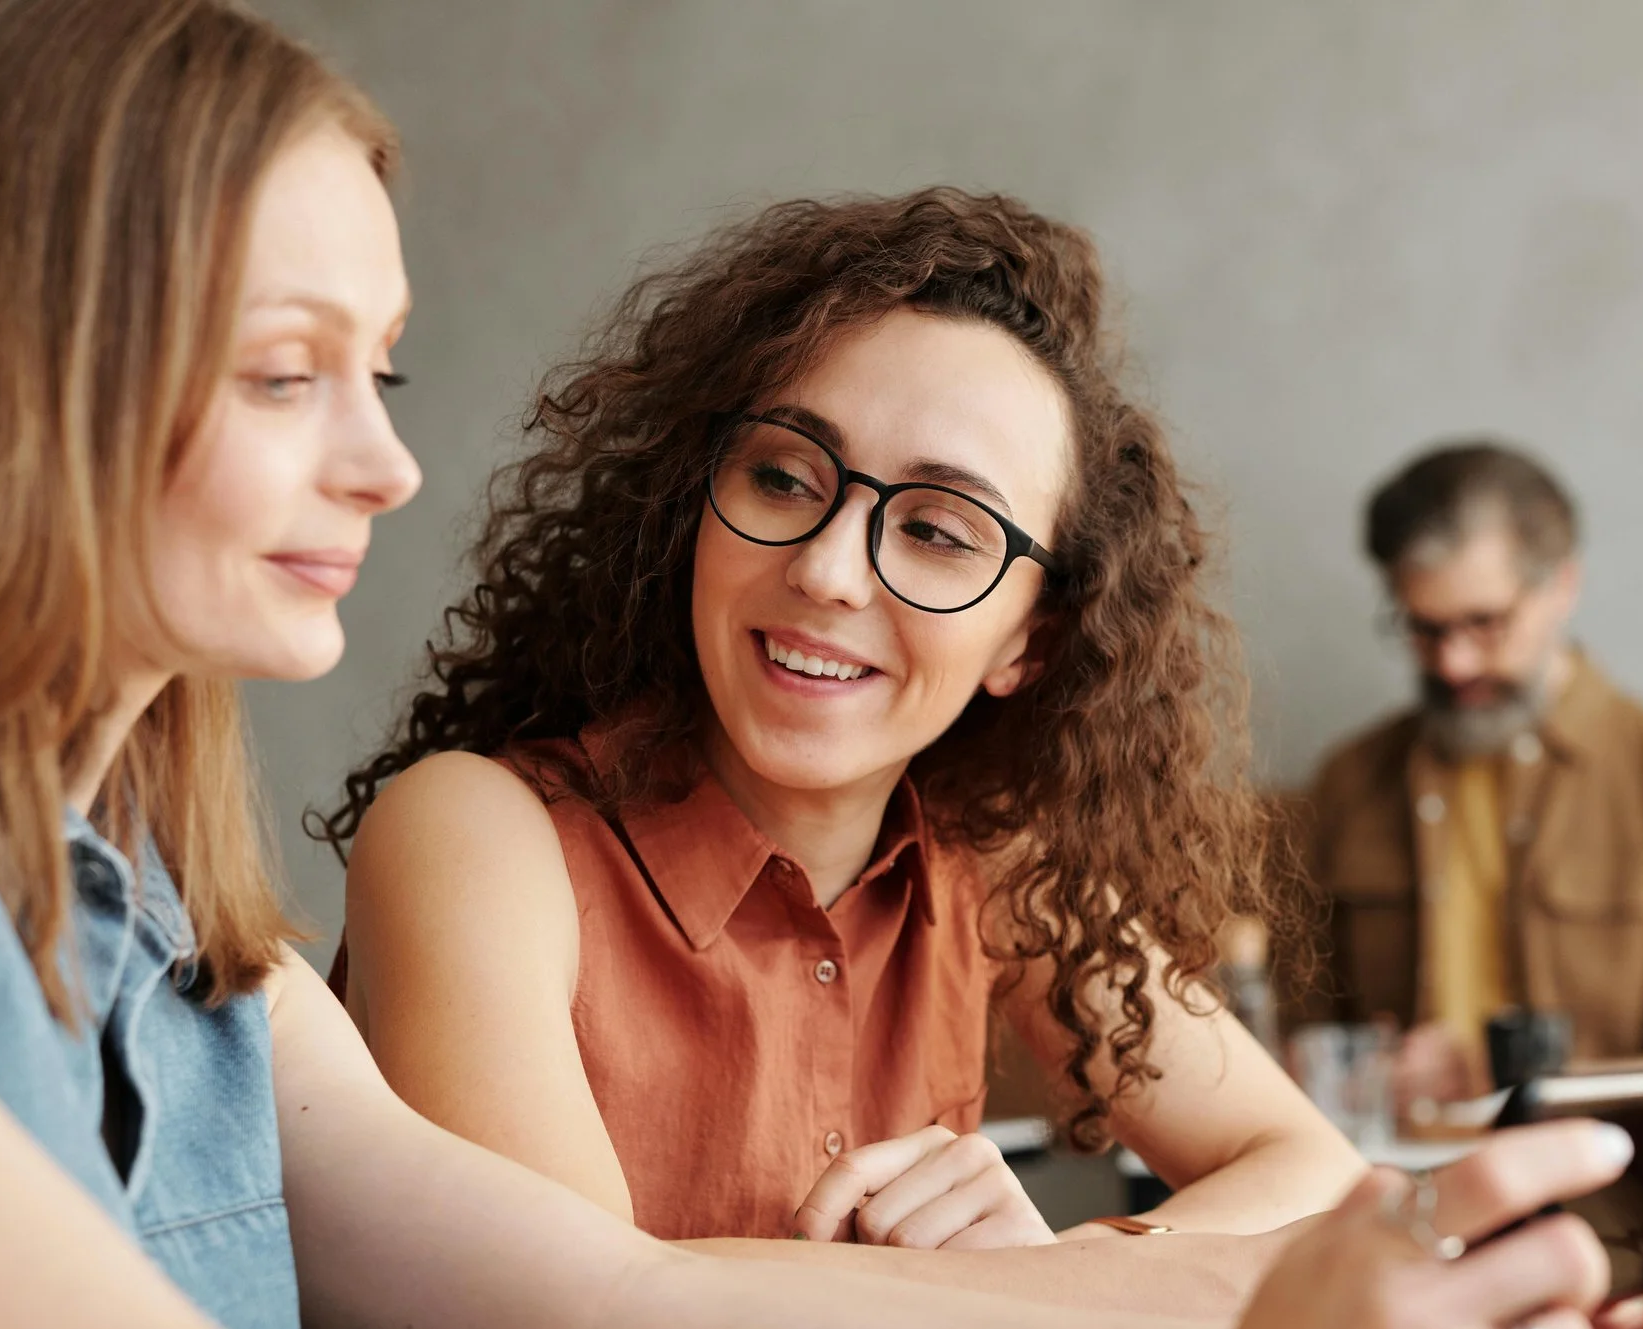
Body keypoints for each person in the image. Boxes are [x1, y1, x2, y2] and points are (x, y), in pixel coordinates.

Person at [0, 4, 1643, 1329]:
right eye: (288, 371)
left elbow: (605, 1309)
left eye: (381, 367)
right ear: (4, 361)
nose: (383, 461)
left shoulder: (197, 937)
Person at [321, 189, 1367, 1257]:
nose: (824, 569)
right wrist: (988, 1305)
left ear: (1029, 646)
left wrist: (1062, 1264)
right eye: (781, 476)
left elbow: (1317, 1173)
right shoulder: (475, 834)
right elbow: (585, 1323)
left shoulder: (989, 861)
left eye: (939, 532)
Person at [1296, 442, 1643, 1123]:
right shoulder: (1349, 783)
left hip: (1605, 1201)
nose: (1453, 662)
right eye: (1423, 628)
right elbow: (1293, 1035)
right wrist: (1352, 1073)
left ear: (1562, 585)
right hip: (1382, 1196)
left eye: (1484, 623)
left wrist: (1508, 1078)